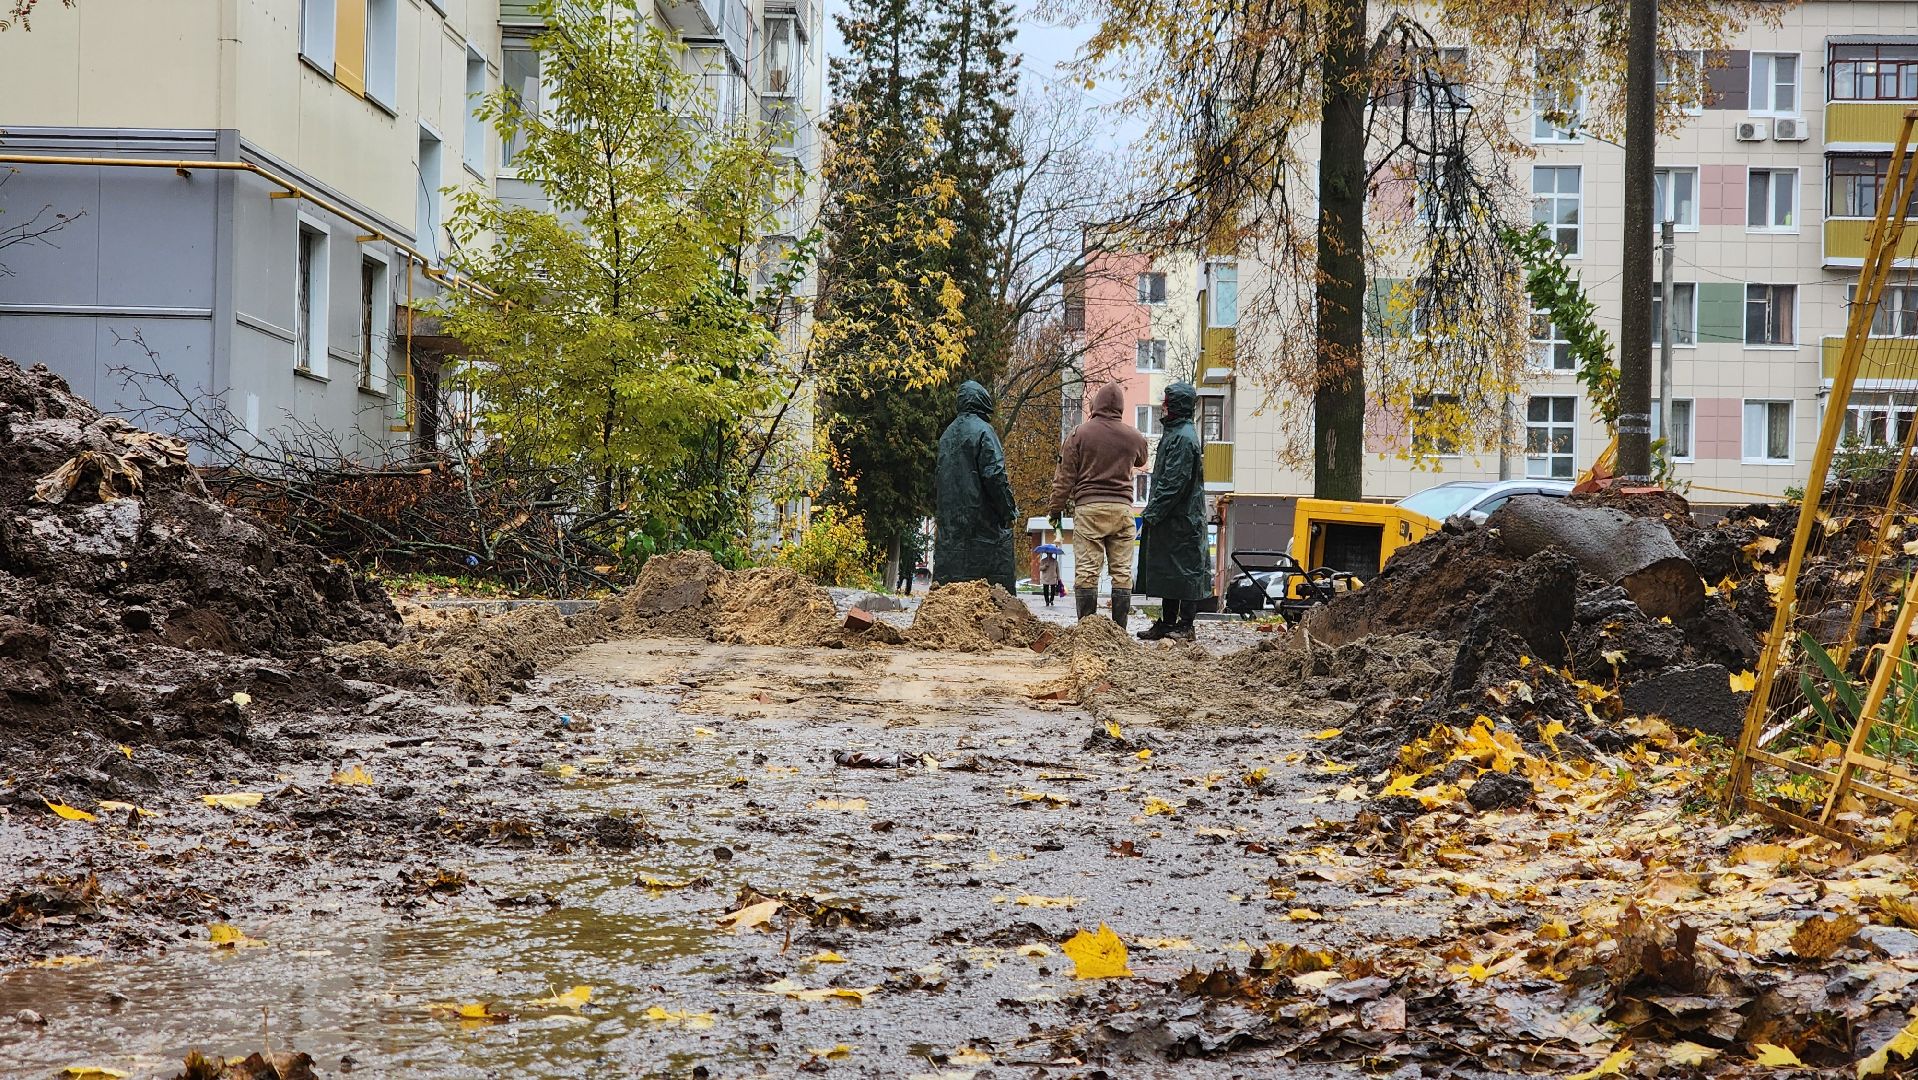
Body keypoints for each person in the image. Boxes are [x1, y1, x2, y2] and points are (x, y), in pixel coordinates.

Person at [1048, 382, 1148, 624]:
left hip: (1089, 509)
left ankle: (1088, 629)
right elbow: (1141, 459)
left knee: (1087, 571)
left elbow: (1064, 477)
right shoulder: (1134, 437)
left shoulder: (1078, 435)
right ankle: (1119, 630)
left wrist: (1055, 509)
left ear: (1095, 405)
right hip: (1122, 510)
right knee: (1122, 572)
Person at [1135, 383, 1209, 642]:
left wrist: (1152, 513)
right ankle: (1167, 623)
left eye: (1166, 401)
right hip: (1176, 519)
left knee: (1184, 572)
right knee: (1173, 571)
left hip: (1181, 520)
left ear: (1175, 405)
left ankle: (1185, 625)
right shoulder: (1177, 433)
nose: (1163, 406)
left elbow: (1173, 482)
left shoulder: (1182, 437)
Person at [933, 380, 1017, 593]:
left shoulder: (946, 435)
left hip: (951, 525)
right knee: (992, 587)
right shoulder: (984, 431)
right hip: (982, 523)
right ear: (982, 401)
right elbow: (995, 474)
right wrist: (1008, 511)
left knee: (952, 587)